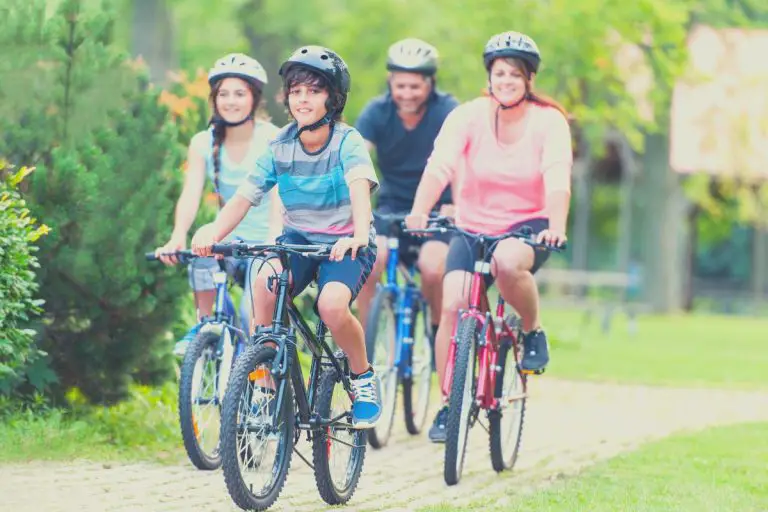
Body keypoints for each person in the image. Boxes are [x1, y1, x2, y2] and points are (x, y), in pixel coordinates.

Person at [191, 45, 383, 428]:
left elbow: (360, 186)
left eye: (313, 90)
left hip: (345, 244)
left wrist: (360, 234)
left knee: (331, 306)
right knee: (264, 282)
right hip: (298, 240)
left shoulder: (347, 141)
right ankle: (265, 378)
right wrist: (213, 231)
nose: (302, 99)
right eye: (296, 91)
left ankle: (363, 379)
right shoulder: (279, 145)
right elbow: (244, 198)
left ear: (333, 97)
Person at [405, 31, 573, 442]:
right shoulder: (468, 115)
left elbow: (557, 176)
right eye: (500, 73)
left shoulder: (549, 120)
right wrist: (419, 212)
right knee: (454, 304)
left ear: (529, 79)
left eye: (515, 74)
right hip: (472, 223)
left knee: (509, 263)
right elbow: (440, 164)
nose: (507, 81)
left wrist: (556, 225)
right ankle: (450, 402)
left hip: (528, 224)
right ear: (490, 76)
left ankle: (531, 330)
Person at [155, 53, 282, 356]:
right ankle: (206, 324)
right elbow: (191, 193)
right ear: (214, 99)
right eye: (223, 94)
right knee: (203, 246)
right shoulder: (202, 142)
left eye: (240, 93)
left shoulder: (274, 139)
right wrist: (177, 236)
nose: (231, 101)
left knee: (255, 319)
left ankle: (260, 387)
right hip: (231, 238)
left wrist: (274, 240)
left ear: (255, 98)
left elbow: (281, 195)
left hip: (266, 242)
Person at [355, 38, 459, 355]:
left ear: (430, 83)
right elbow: (356, 158)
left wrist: (454, 203)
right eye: (401, 86)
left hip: (441, 208)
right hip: (392, 208)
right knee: (373, 261)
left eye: (415, 86)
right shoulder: (377, 112)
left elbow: (462, 160)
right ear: (390, 82)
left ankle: (437, 330)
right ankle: (364, 339)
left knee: (431, 267)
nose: (407, 94)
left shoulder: (449, 112)